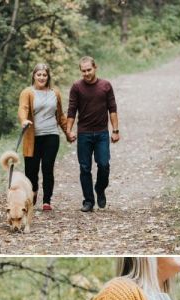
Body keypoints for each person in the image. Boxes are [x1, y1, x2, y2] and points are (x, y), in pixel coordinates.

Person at [67, 56, 119, 212]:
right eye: (83, 71)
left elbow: (112, 109)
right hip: (84, 134)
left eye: (89, 70)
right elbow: (71, 110)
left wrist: (115, 130)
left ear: (95, 67)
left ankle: (100, 188)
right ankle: (88, 201)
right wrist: (68, 130)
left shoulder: (105, 86)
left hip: (102, 133)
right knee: (85, 168)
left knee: (104, 165)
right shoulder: (76, 87)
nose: (86, 73)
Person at [17, 63, 72, 212]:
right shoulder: (27, 92)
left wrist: (68, 132)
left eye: (44, 75)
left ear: (48, 77)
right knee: (31, 170)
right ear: (34, 76)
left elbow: (60, 115)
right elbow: (23, 108)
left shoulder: (55, 93)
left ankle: (47, 201)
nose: (41, 77)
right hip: (32, 137)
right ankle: (33, 191)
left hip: (51, 135)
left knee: (48, 167)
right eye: (39, 74)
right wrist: (24, 120)